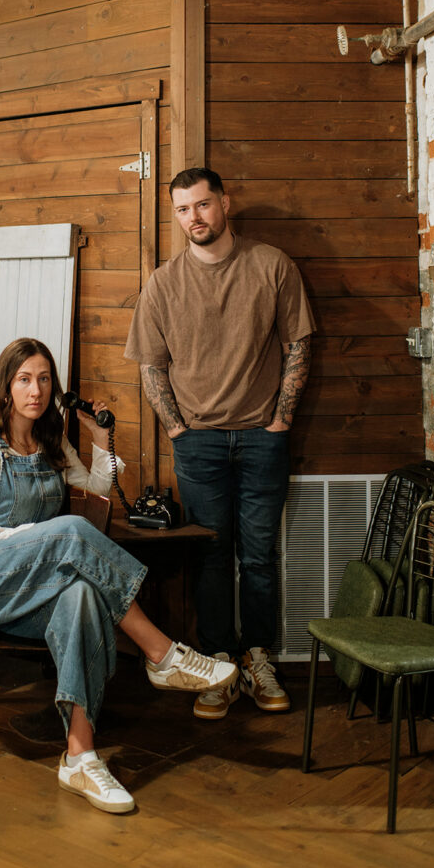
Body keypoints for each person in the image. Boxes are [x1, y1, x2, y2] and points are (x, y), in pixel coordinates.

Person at [0, 336, 237, 815]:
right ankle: (161, 653)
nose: (35, 390)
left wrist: (97, 437)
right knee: (68, 532)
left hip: (25, 587)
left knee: (79, 596)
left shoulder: (52, 445)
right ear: (6, 387)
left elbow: (97, 492)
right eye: (24, 379)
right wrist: (39, 536)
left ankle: (80, 754)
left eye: (44, 379)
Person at [124, 168, 314, 721]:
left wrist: (281, 421)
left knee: (258, 557)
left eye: (203, 205)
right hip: (198, 444)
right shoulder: (163, 283)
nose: (194, 218)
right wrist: (178, 429)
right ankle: (217, 665)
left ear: (225, 203)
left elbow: (298, 345)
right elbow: (152, 368)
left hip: (263, 438)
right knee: (210, 558)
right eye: (183, 210)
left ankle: (258, 658)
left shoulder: (271, 265)